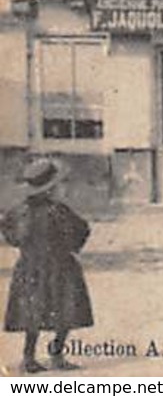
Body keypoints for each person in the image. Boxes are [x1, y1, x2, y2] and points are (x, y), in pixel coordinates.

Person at [2, 160, 93, 374]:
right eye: (61, 184)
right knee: (66, 310)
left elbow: (10, 234)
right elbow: (80, 231)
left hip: (28, 267)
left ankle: (29, 358)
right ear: (52, 188)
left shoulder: (19, 211)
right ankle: (57, 353)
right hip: (60, 266)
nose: (64, 188)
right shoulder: (59, 211)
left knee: (32, 313)